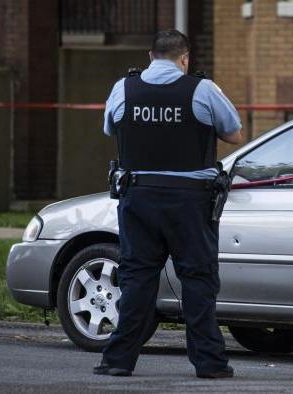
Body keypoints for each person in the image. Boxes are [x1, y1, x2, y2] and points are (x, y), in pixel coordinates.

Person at [95, 29, 243, 378]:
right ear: (185, 58)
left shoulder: (124, 88)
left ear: (150, 56)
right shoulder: (201, 89)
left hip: (138, 198)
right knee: (198, 280)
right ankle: (209, 363)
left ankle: (117, 360)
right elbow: (234, 132)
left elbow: (109, 128)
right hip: (189, 204)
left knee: (136, 280)